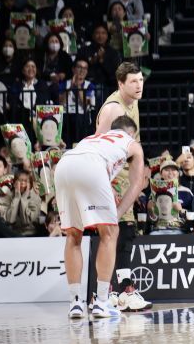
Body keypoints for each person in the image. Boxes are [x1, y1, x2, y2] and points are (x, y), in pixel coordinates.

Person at [56, 115, 145, 319]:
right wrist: (117, 215)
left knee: (73, 235)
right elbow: (137, 184)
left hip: (64, 164)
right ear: (132, 133)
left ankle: (75, 303)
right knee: (110, 233)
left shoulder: (94, 138)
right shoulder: (132, 143)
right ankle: (102, 303)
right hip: (92, 167)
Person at [94, 62, 151, 312]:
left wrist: (137, 179)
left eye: (141, 80)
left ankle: (113, 293)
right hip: (111, 176)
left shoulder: (133, 101)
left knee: (121, 234)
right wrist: (109, 185)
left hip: (126, 175)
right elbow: (98, 150)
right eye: (133, 81)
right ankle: (123, 291)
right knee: (121, 233)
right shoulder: (112, 110)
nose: (139, 85)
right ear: (120, 84)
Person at [0, 169, 44, 236]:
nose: (22, 183)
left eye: (25, 181)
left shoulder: (35, 197)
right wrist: (16, 198)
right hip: (11, 233)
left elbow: (27, 221)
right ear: (14, 183)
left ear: (30, 184)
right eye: (20, 180)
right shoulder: (7, 195)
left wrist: (24, 199)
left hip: (31, 233)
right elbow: (9, 220)